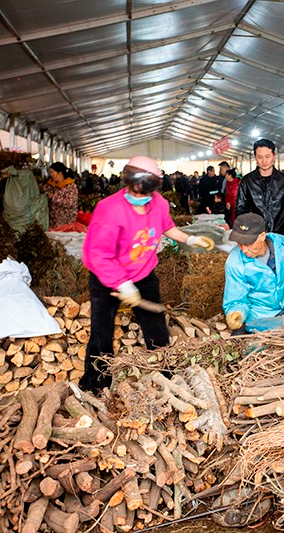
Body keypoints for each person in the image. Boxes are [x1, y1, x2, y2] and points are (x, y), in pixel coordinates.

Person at [80, 156, 215, 392]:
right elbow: (98, 254)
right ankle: (95, 383)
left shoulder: (159, 204)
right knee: (101, 334)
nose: (140, 198)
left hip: (143, 274)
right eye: (135, 192)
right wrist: (122, 285)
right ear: (127, 184)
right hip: (106, 279)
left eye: (145, 194)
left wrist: (189, 239)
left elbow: (167, 226)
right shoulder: (108, 210)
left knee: (156, 330)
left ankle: (167, 377)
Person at [236, 139, 284, 237]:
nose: (264, 161)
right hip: (255, 236)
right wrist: (245, 234)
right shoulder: (247, 181)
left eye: (267, 156)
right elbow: (240, 210)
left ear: (274, 156)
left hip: (280, 235)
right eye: (260, 157)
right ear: (255, 158)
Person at [43, 162, 78, 229]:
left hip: (66, 223)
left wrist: (53, 197)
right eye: (50, 172)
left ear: (60, 173)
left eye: (52, 172)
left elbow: (69, 203)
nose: (51, 174)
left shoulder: (70, 187)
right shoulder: (50, 185)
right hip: (52, 222)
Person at [219, 162, 240, 227]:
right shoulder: (228, 183)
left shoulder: (239, 182)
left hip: (238, 207)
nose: (225, 176)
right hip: (230, 207)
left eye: (221, 169)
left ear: (230, 175)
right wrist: (227, 202)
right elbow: (227, 194)